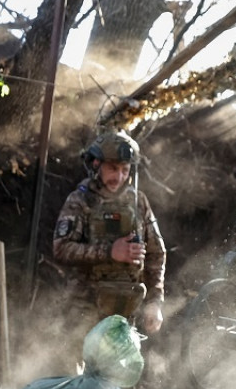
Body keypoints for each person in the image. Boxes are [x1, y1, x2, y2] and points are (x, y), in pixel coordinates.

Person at [53, 130, 166, 336]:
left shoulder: (138, 202)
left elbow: (156, 254)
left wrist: (155, 302)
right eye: (113, 169)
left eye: (125, 170)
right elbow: (61, 249)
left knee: (120, 368)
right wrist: (109, 252)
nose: (119, 177)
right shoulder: (79, 201)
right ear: (96, 165)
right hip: (82, 311)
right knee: (73, 368)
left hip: (124, 312)